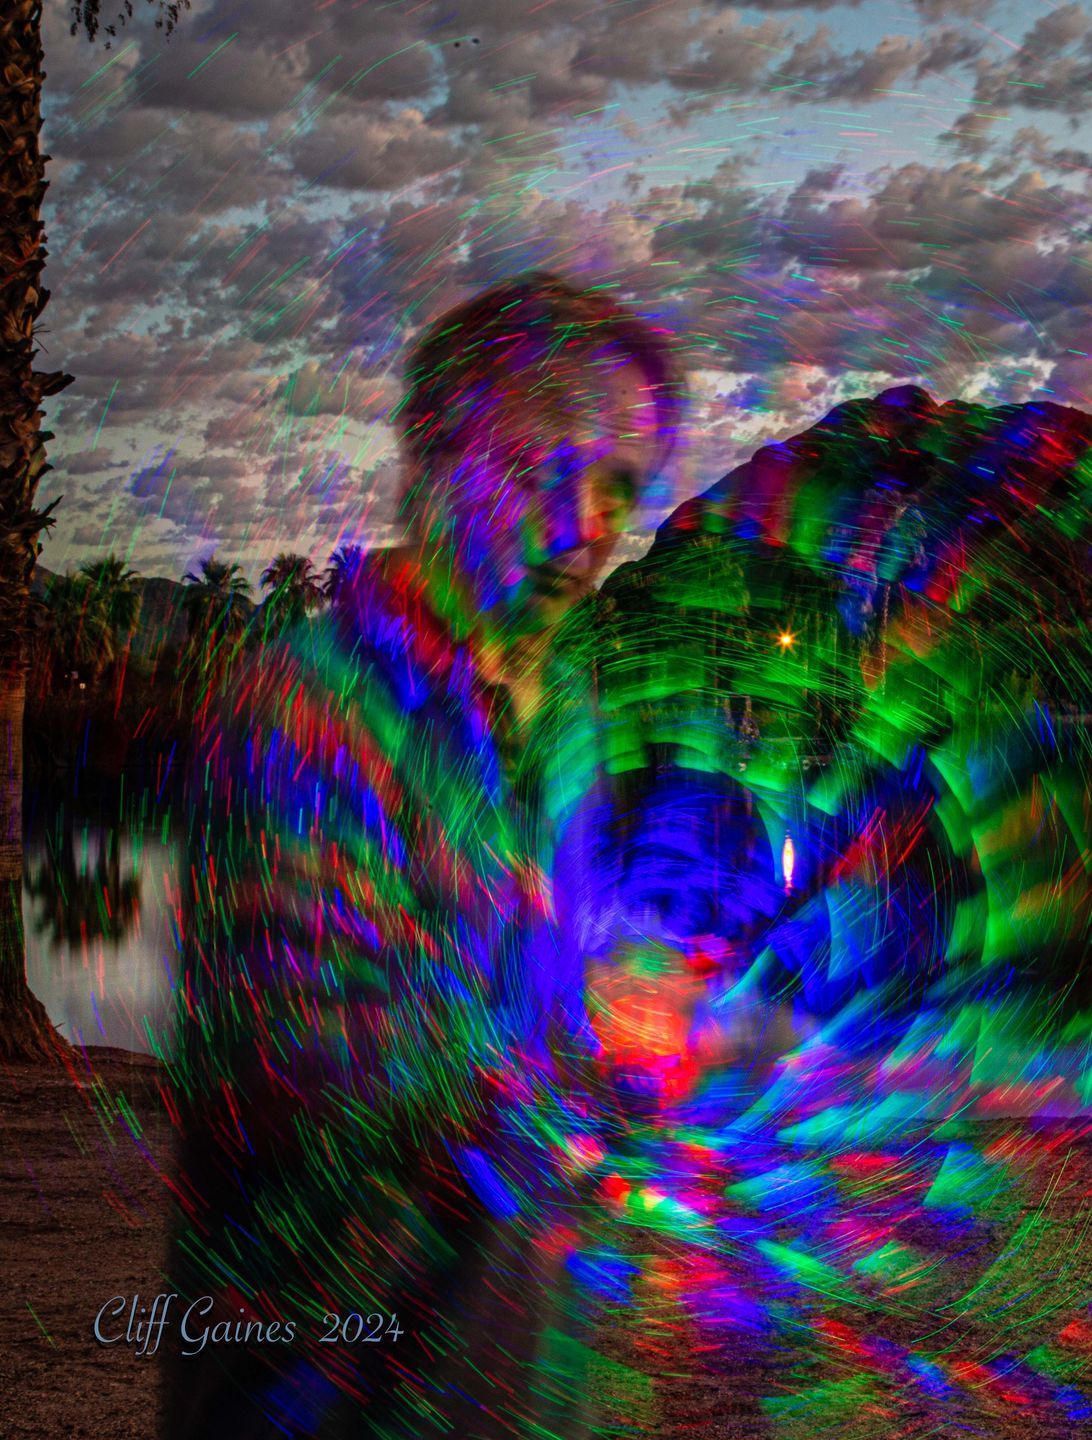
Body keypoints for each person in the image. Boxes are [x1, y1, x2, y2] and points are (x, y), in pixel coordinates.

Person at [164, 273, 678, 1438]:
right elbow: (306, 1060)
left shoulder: (568, 716)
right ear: (441, 461)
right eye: (549, 470)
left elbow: (568, 976)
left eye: (617, 488)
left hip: (513, 1369)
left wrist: (642, 1010)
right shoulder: (309, 710)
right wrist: (573, 1064)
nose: (590, 526)